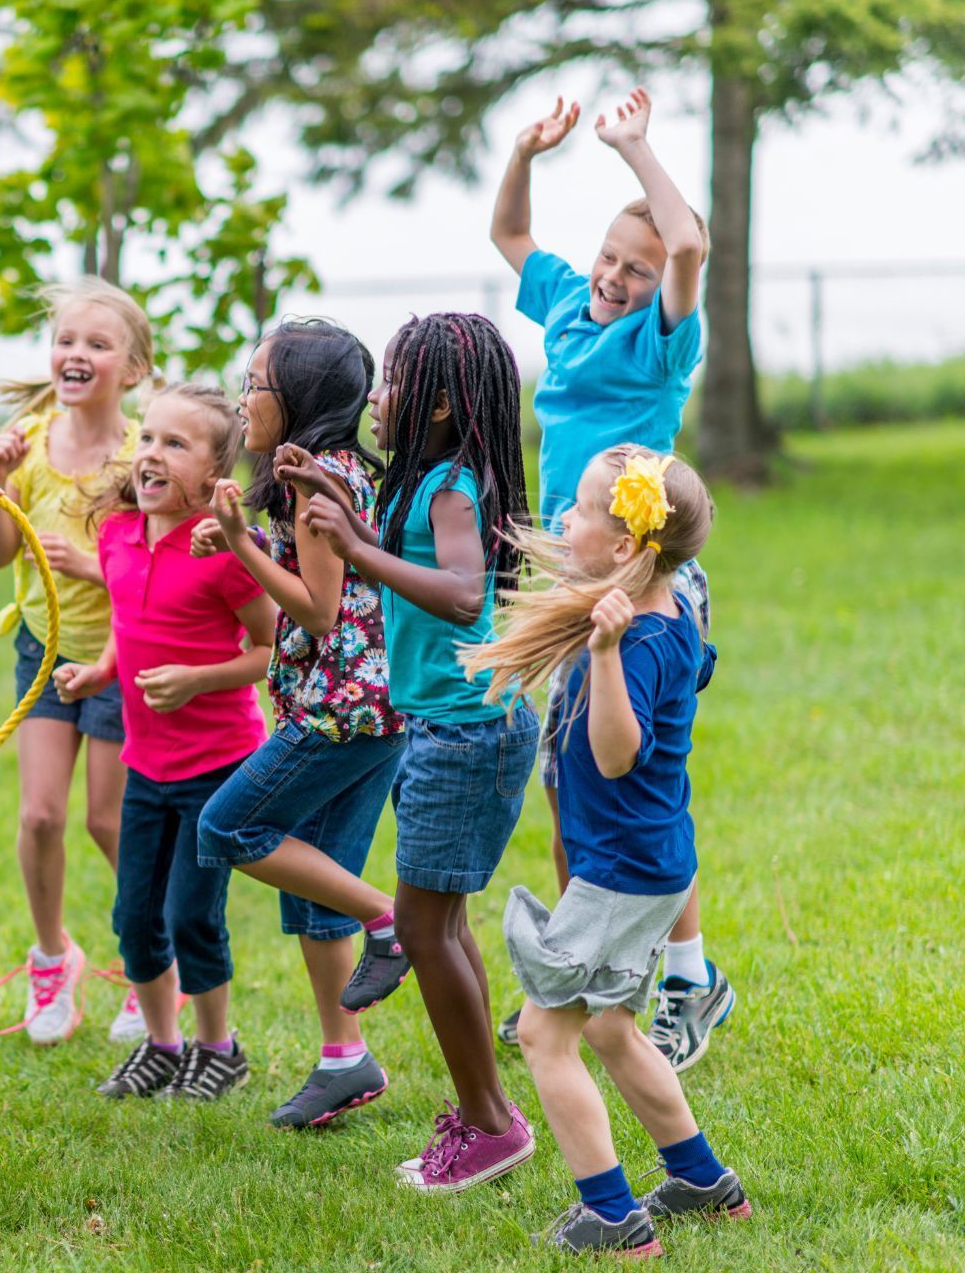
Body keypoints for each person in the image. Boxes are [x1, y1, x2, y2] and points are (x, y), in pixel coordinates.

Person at [489, 88, 733, 1065]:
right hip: (571, 580)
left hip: (639, 582)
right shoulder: (564, 302)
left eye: (636, 268)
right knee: (568, 782)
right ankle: (581, 969)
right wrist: (524, 152)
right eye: (610, 258)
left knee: (643, 792)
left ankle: (689, 981)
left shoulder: (662, 339)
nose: (617, 278)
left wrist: (636, 150)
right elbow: (509, 232)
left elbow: (689, 250)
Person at [460, 447, 749, 1256]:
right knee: (613, 1029)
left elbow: (620, 753)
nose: (566, 522)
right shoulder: (658, 617)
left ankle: (614, 1218)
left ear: (626, 548)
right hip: (644, 864)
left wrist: (604, 654)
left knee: (548, 1038)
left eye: (583, 511)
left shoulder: (642, 640)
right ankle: (701, 1180)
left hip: (624, 871)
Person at [296, 313, 538, 1192]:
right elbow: (401, 557)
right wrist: (325, 490)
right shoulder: (427, 478)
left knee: (427, 931)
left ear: (437, 402)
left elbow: (465, 595)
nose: (378, 396)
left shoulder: (452, 485)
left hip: (466, 735)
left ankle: (487, 1124)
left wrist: (356, 549)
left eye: (393, 381)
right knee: (442, 925)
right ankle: (489, 1111)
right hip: (449, 728)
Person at [191, 321, 412, 1129]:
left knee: (227, 828)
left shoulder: (317, 486)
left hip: (339, 713)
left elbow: (319, 611)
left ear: (301, 398)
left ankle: (393, 921)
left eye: (256, 384)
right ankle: (343, 1059)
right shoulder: (331, 472)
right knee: (317, 894)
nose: (244, 398)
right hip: (375, 710)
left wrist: (245, 550)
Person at [53, 384, 274, 1101]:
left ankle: (219, 1048)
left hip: (218, 766)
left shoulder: (224, 550)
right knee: (135, 917)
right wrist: (99, 673)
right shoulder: (118, 532)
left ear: (214, 478)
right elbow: (128, 621)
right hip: (144, 764)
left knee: (190, 916)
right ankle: (161, 1044)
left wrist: (197, 681)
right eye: (148, 438)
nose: (151, 455)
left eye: (175, 444)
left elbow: (273, 648)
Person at [0, 277, 155, 1045]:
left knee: (108, 822)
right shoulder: (29, 441)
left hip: (121, 653)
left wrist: (90, 568)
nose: (75, 354)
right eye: (67, 341)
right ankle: (53, 959)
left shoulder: (145, 450)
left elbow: (160, 564)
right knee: (40, 814)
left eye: (97, 344)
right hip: (42, 651)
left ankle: (154, 969)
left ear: (133, 369)